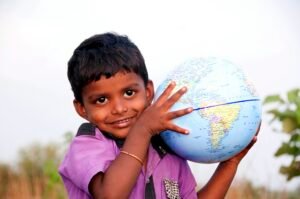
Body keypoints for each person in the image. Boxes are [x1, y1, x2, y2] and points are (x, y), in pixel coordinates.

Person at [59, 32, 260, 199]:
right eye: (101, 100)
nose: (119, 108)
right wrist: (143, 130)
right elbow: (110, 195)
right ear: (82, 109)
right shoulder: (86, 145)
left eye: (129, 93)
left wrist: (229, 164)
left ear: (148, 93)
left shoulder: (169, 152)